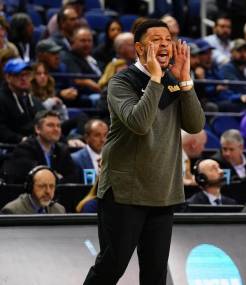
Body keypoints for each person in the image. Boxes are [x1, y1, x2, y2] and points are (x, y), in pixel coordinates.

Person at [83, 19, 205, 284]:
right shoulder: (121, 82)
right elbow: (139, 123)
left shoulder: (174, 80)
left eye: (168, 38)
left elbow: (195, 125)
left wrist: (185, 80)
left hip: (162, 193)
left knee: (155, 274)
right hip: (126, 192)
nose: (164, 44)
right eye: (155, 40)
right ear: (139, 49)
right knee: (111, 267)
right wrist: (156, 79)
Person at [2, 110, 78, 183]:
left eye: (58, 126)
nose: (56, 129)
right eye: (50, 125)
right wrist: (57, 176)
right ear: (37, 129)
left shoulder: (62, 150)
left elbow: (72, 177)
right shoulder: (24, 149)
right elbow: (36, 177)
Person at [0, 58, 45, 144]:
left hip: (32, 146)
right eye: (18, 75)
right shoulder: (2, 99)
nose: (24, 78)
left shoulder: (32, 99)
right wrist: (21, 139)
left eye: (27, 75)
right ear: (8, 77)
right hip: (9, 149)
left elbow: (46, 120)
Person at [1, 165, 66, 214]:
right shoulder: (12, 211)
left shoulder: (59, 210)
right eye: (42, 186)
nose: (48, 191)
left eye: (51, 186)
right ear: (30, 187)